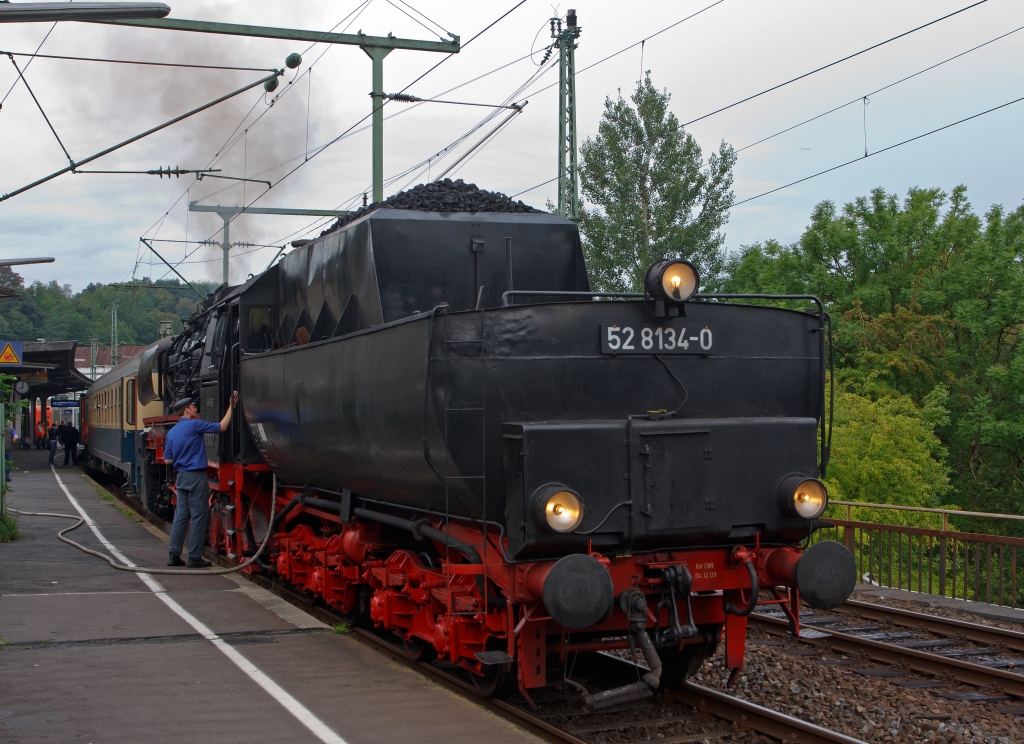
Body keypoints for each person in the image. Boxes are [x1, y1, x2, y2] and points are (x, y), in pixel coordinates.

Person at [164, 391, 238, 568]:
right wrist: (232, 406)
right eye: (194, 406)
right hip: (196, 476)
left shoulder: (172, 433)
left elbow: (168, 459)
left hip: (181, 477)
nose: (196, 408)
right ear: (187, 410)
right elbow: (222, 427)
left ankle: (173, 555)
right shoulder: (194, 425)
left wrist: (182, 455)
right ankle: (194, 557)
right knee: (198, 515)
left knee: (181, 516)